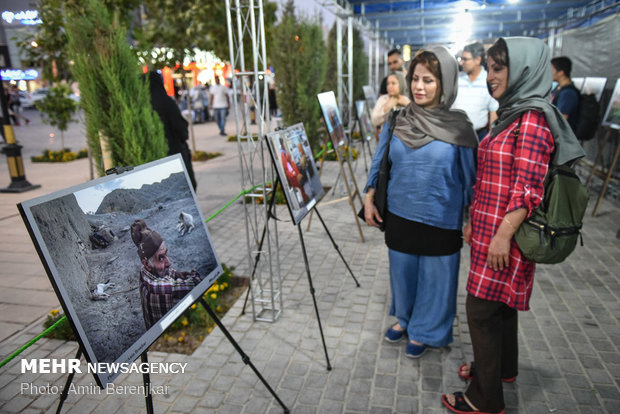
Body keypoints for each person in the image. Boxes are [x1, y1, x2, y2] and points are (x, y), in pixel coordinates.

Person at [442, 37, 584, 414]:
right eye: (489, 68)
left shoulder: (533, 119)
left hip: (506, 235)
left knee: (480, 311)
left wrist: (503, 235)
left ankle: (483, 399)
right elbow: (490, 176)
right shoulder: (512, 112)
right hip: (490, 228)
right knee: (499, 307)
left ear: (523, 69)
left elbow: (528, 189)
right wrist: (474, 219)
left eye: (499, 68)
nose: (491, 76)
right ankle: (502, 369)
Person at [363, 47, 478, 359]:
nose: (419, 86)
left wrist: (472, 220)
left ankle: (428, 329)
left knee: (436, 277)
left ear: (444, 83)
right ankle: (405, 318)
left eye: (428, 80)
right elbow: (380, 160)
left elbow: (471, 179)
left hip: (441, 216)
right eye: (415, 79)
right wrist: (370, 196)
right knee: (402, 272)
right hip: (400, 212)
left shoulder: (460, 128)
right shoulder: (398, 119)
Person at [130, 219, 202, 330]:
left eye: (166, 254)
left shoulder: (144, 270)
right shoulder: (161, 288)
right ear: (147, 264)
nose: (169, 262)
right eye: (161, 258)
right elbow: (198, 281)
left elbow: (172, 273)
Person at [145, 71, 197, 190]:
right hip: (174, 151)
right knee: (186, 188)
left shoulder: (142, 105)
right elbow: (180, 126)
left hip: (154, 157)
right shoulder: (166, 102)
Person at [452, 42, 498, 140]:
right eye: (461, 59)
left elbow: (493, 111)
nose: (461, 62)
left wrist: (491, 137)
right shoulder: (456, 79)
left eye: (465, 59)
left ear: (477, 60)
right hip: (457, 135)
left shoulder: (489, 80)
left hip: (480, 136)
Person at [550, 56, 580, 131]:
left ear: (561, 72)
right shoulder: (558, 88)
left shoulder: (568, 93)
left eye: (551, 69)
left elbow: (561, 120)